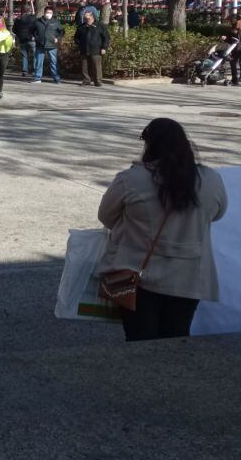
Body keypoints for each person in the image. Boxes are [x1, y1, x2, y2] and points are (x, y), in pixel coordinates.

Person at [96, 118, 227, 342]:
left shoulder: (131, 179)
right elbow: (218, 214)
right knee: (177, 339)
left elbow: (106, 217)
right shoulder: (211, 179)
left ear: (149, 145)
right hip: (189, 277)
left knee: (140, 341)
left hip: (137, 275)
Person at [75, 10, 109, 87]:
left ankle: (98, 81)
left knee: (96, 66)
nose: (86, 18)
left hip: (96, 49)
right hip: (84, 49)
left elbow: (106, 38)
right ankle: (86, 80)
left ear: (92, 16)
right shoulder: (81, 26)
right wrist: (79, 44)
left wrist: (104, 47)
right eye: (85, 17)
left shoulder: (100, 25)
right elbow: (76, 37)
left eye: (87, 17)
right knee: (84, 66)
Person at [33, 7, 63, 84]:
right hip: (40, 44)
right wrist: (36, 37)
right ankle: (37, 78)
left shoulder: (56, 22)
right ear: (44, 12)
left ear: (52, 13)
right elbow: (32, 30)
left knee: (54, 62)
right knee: (39, 62)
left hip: (52, 45)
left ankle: (56, 78)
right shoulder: (38, 21)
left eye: (50, 12)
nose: (48, 14)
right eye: (47, 12)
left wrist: (57, 38)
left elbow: (61, 32)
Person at [13, 10, 37, 77]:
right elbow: (36, 28)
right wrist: (34, 36)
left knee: (24, 56)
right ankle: (34, 71)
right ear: (30, 11)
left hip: (22, 40)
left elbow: (14, 30)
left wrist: (19, 35)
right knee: (34, 56)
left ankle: (24, 71)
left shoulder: (18, 19)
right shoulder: (33, 18)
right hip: (32, 40)